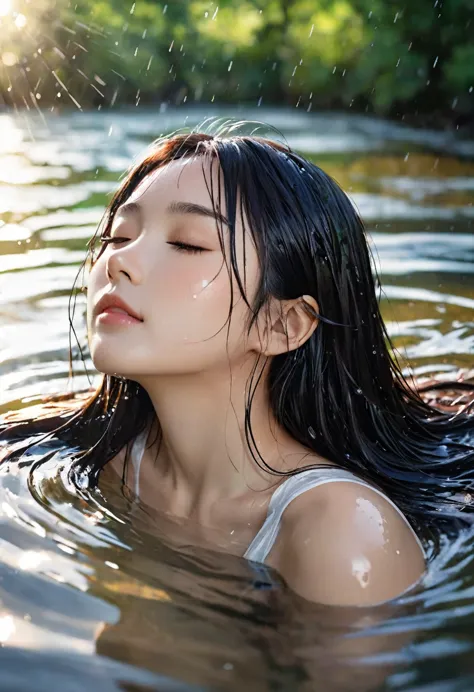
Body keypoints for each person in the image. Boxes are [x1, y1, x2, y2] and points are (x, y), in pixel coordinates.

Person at [1, 122, 473, 608]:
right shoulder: (106, 460)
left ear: (282, 324)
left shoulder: (344, 538)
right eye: (117, 235)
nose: (118, 263)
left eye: (187, 243)